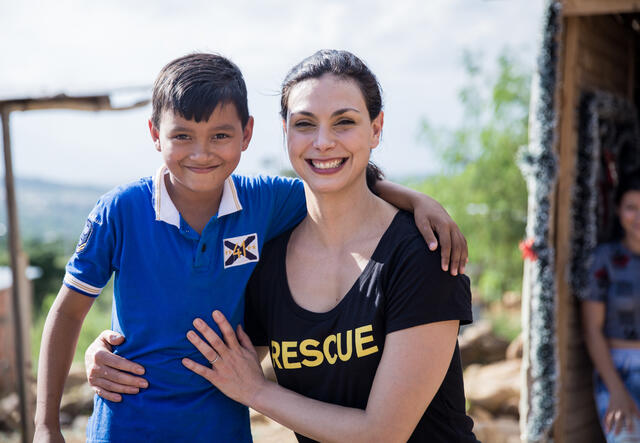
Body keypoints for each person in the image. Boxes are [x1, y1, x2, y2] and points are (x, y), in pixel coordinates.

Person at [34, 52, 468, 442]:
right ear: (154, 133)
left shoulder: (267, 205)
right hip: (126, 429)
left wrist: (416, 200)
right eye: (182, 135)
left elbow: (337, 179)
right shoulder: (127, 212)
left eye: (220, 136)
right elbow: (71, 311)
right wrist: (58, 408)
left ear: (247, 134)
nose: (201, 153)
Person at [181, 49, 478, 442]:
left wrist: (258, 391)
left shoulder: (422, 252)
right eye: (305, 124)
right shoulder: (266, 257)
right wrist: (110, 351)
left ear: (376, 129)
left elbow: (383, 434)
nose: (323, 142)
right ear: (285, 131)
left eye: (344, 123)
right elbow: (206, 358)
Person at [580, 174, 640, 442]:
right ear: (618, 210)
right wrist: (616, 389)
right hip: (618, 369)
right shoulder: (605, 259)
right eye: (631, 207)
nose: (638, 216)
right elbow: (592, 329)